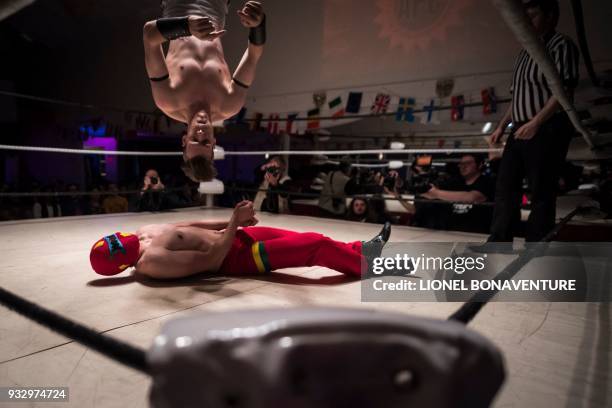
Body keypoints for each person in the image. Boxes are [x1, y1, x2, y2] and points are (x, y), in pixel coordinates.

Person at [89, 201, 392, 279]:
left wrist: (234, 221)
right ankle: (369, 267)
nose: (118, 240)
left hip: (237, 235)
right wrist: (234, 222)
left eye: (111, 239)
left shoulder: (146, 230)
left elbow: (191, 223)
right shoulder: (151, 263)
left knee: (310, 237)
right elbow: (211, 261)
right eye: (114, 248)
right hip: (237, 258)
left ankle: (363, 250)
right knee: (315, 246)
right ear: (119, 265)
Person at [143, 1, 266, 182]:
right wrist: (259, 25)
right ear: (214, 143)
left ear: (184, 140)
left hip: (179, 6)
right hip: (215, 8)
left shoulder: (168, 100)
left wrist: (186, 26)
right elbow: (254, 53)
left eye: (195, 139)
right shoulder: (229, 103)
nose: (201, 132)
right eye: (206, 142)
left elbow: (149, 36)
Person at [488, 0, 580, 242]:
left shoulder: (562, 45)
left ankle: (536, 242)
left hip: (547, 127)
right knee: (505, 187)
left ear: (550, 17)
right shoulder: (524, 52)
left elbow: (564, 92)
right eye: (525, 17)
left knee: (541, 189)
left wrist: (537, 122)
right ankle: (499, 240)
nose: (527, 22)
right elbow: (516, 97)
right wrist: (501, 126)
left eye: (534, 16)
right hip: (519, 127)